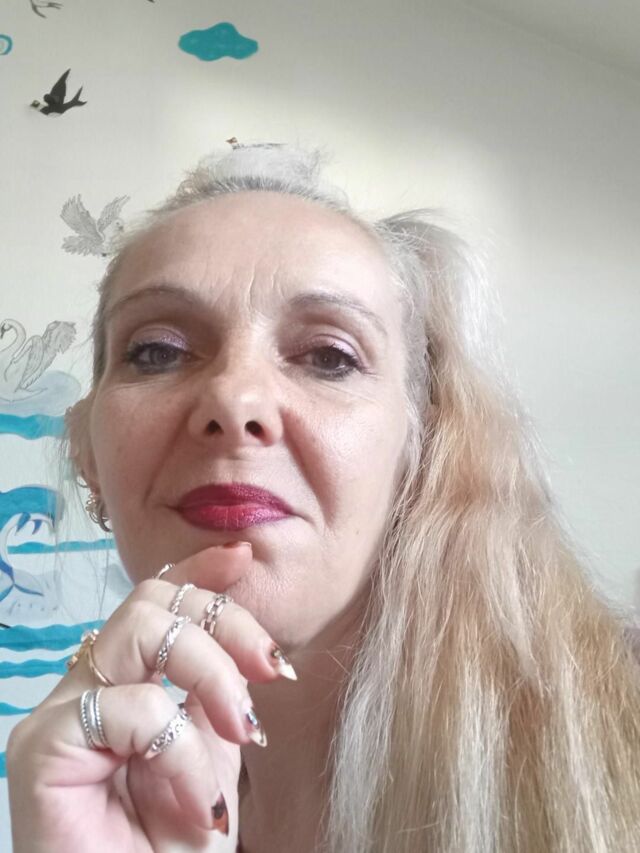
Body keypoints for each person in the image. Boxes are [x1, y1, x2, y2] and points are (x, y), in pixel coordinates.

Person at [6, 143, 640, 852]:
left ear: (424, 447)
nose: (233, 399)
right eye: (157, 350)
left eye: (330, 357)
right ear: (90, 458)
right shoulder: (141, 814)